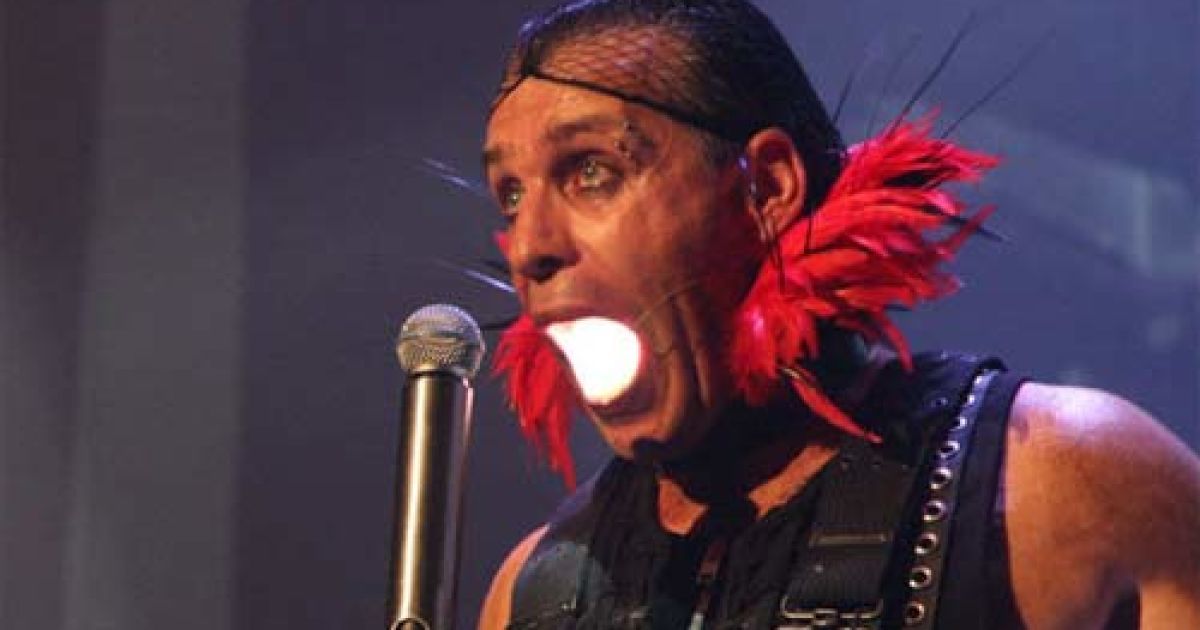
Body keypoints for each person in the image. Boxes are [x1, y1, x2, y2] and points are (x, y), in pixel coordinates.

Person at [474, 1, 1200, 628]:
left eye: (591, 171)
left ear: (767, 188)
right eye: (510, 194)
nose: (528, 246)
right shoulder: (525, 595)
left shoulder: (1072, 488)